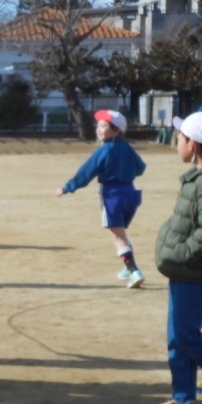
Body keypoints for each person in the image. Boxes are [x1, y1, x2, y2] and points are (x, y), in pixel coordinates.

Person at [143, 112, 202, 404]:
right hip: (183, 271)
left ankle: (186, 397)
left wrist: (182, 253)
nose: (177, 141)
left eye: (181, 137)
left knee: (187, 338)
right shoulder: (201, 177)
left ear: (193, 145)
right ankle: (183, 401)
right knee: (178, 338)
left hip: (195, 273)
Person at [57, 110, 146, 288]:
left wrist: (67, 188)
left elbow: (85, 174)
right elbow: (141, 168)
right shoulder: (128, 148)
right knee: (120, 233)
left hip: (112, 195)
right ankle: (128, 267)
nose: (98, 129)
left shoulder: (104, 150)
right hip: (131, 193)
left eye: (103, 126)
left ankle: (134, 270)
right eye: (98, 125)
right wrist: (125, 171)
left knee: (118, 235)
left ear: (117, 130)